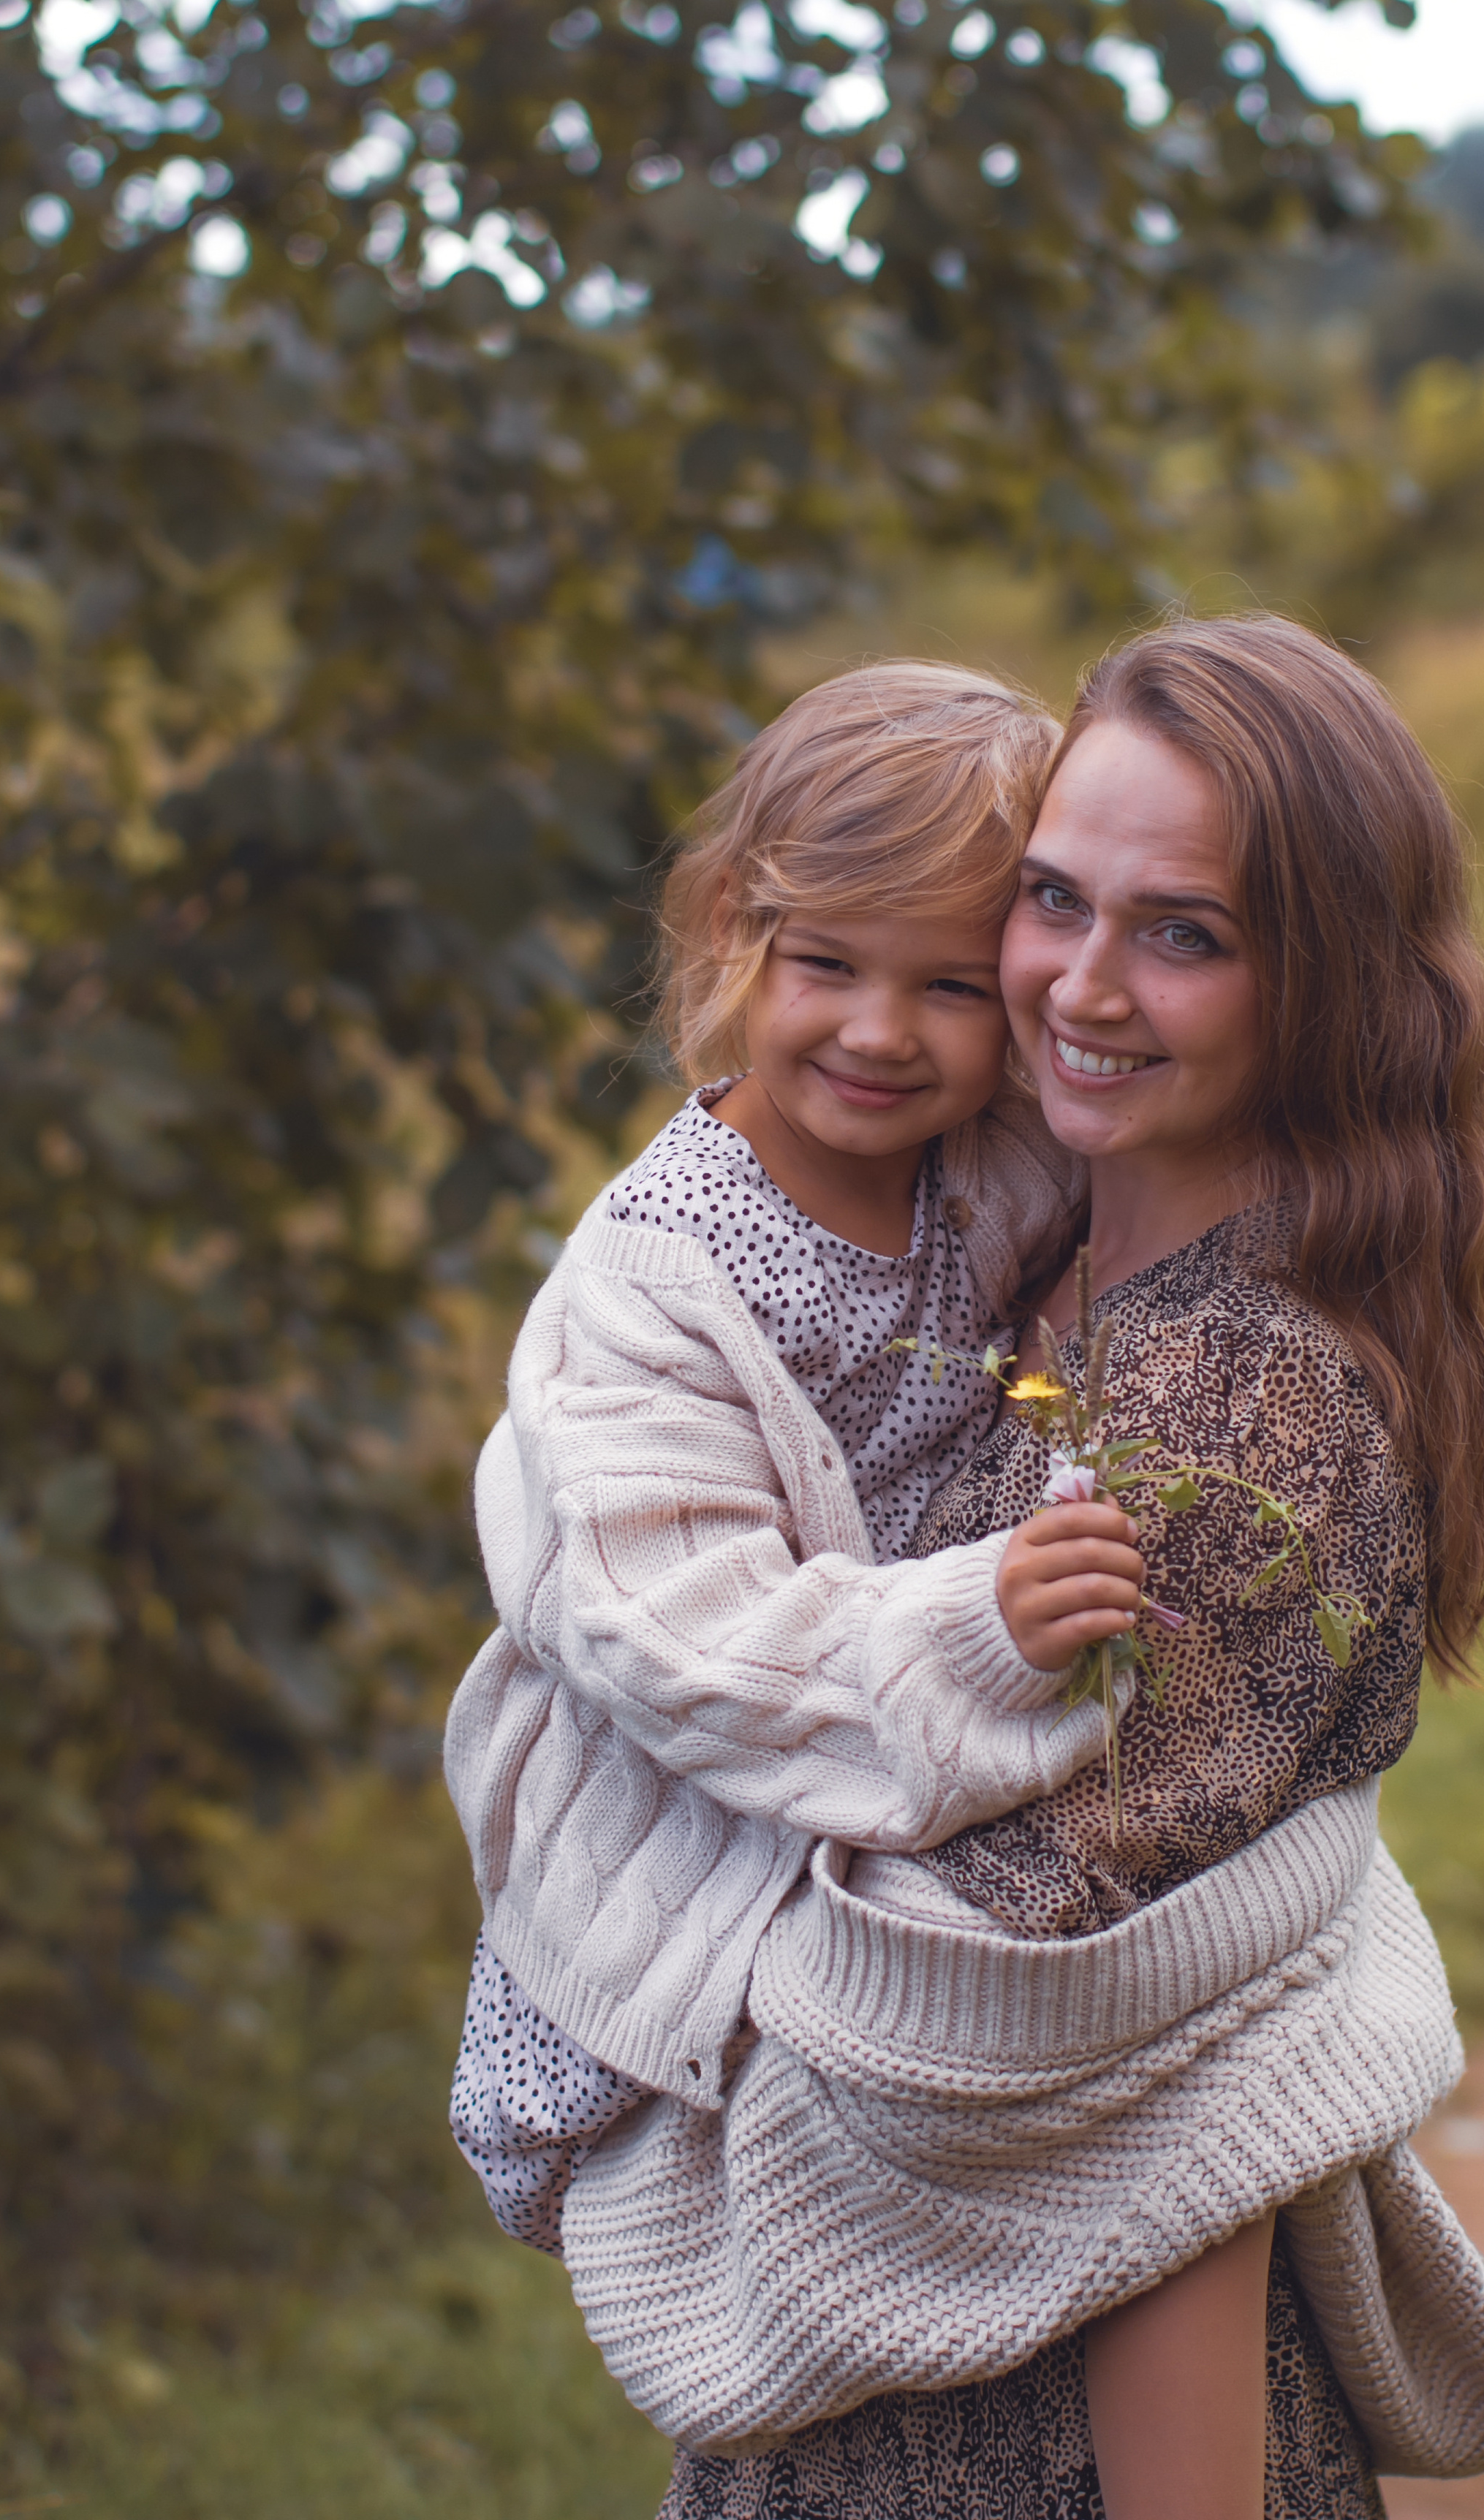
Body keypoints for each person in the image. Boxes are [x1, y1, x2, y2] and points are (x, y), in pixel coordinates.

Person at [621, 615, 1484, 2520]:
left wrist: (666, 1895)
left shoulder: (1244, 1405)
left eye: (1186, 934)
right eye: (1054, 902)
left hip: (1055, 2448)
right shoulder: (1019, 1244)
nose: (1082, 985)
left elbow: (1070, 2031)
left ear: (1330, 986)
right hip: (893, 2374)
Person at [442, 660, 1151, 2257]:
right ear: (727, 936)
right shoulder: (654, 1280)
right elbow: (678, 1639)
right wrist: (973, 1623)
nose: (880, 1034)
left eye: (953, 986)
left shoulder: (991, 1163)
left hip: (898, 1797)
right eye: (823, 962)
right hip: (686, 1852)